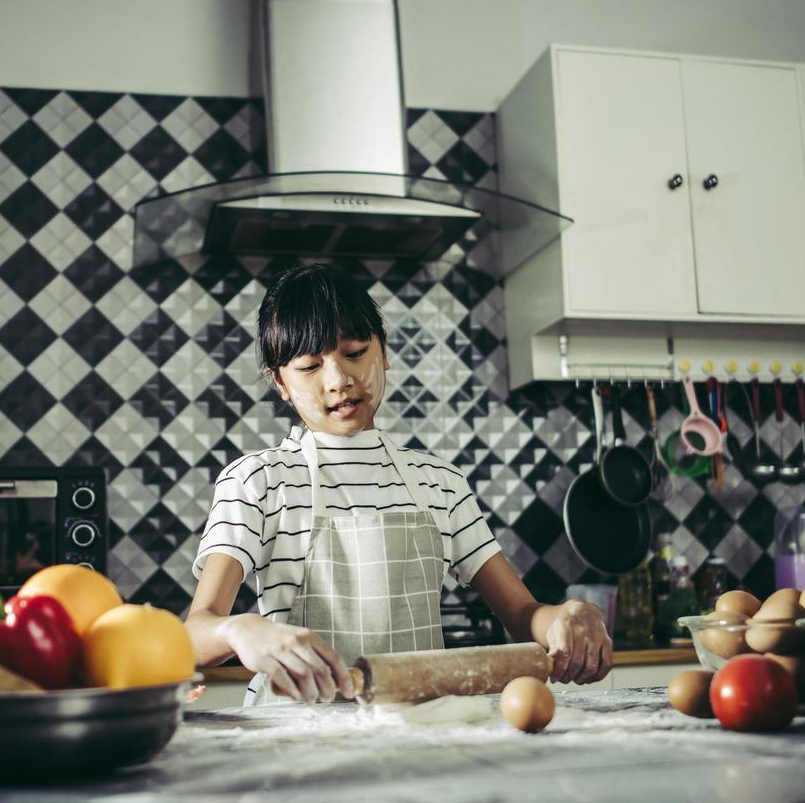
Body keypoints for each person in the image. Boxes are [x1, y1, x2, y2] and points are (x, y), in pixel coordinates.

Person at [185, 263, 612, 704]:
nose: (339, 381)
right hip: (295, 740)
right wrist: (238, 628)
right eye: (310, 366)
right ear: (281, 383)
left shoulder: (440, 483)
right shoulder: (258, 482)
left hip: (421, 733)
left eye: (354, 353)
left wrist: (566, 615)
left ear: (383, 353)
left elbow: (524, 616)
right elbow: (196, 631)